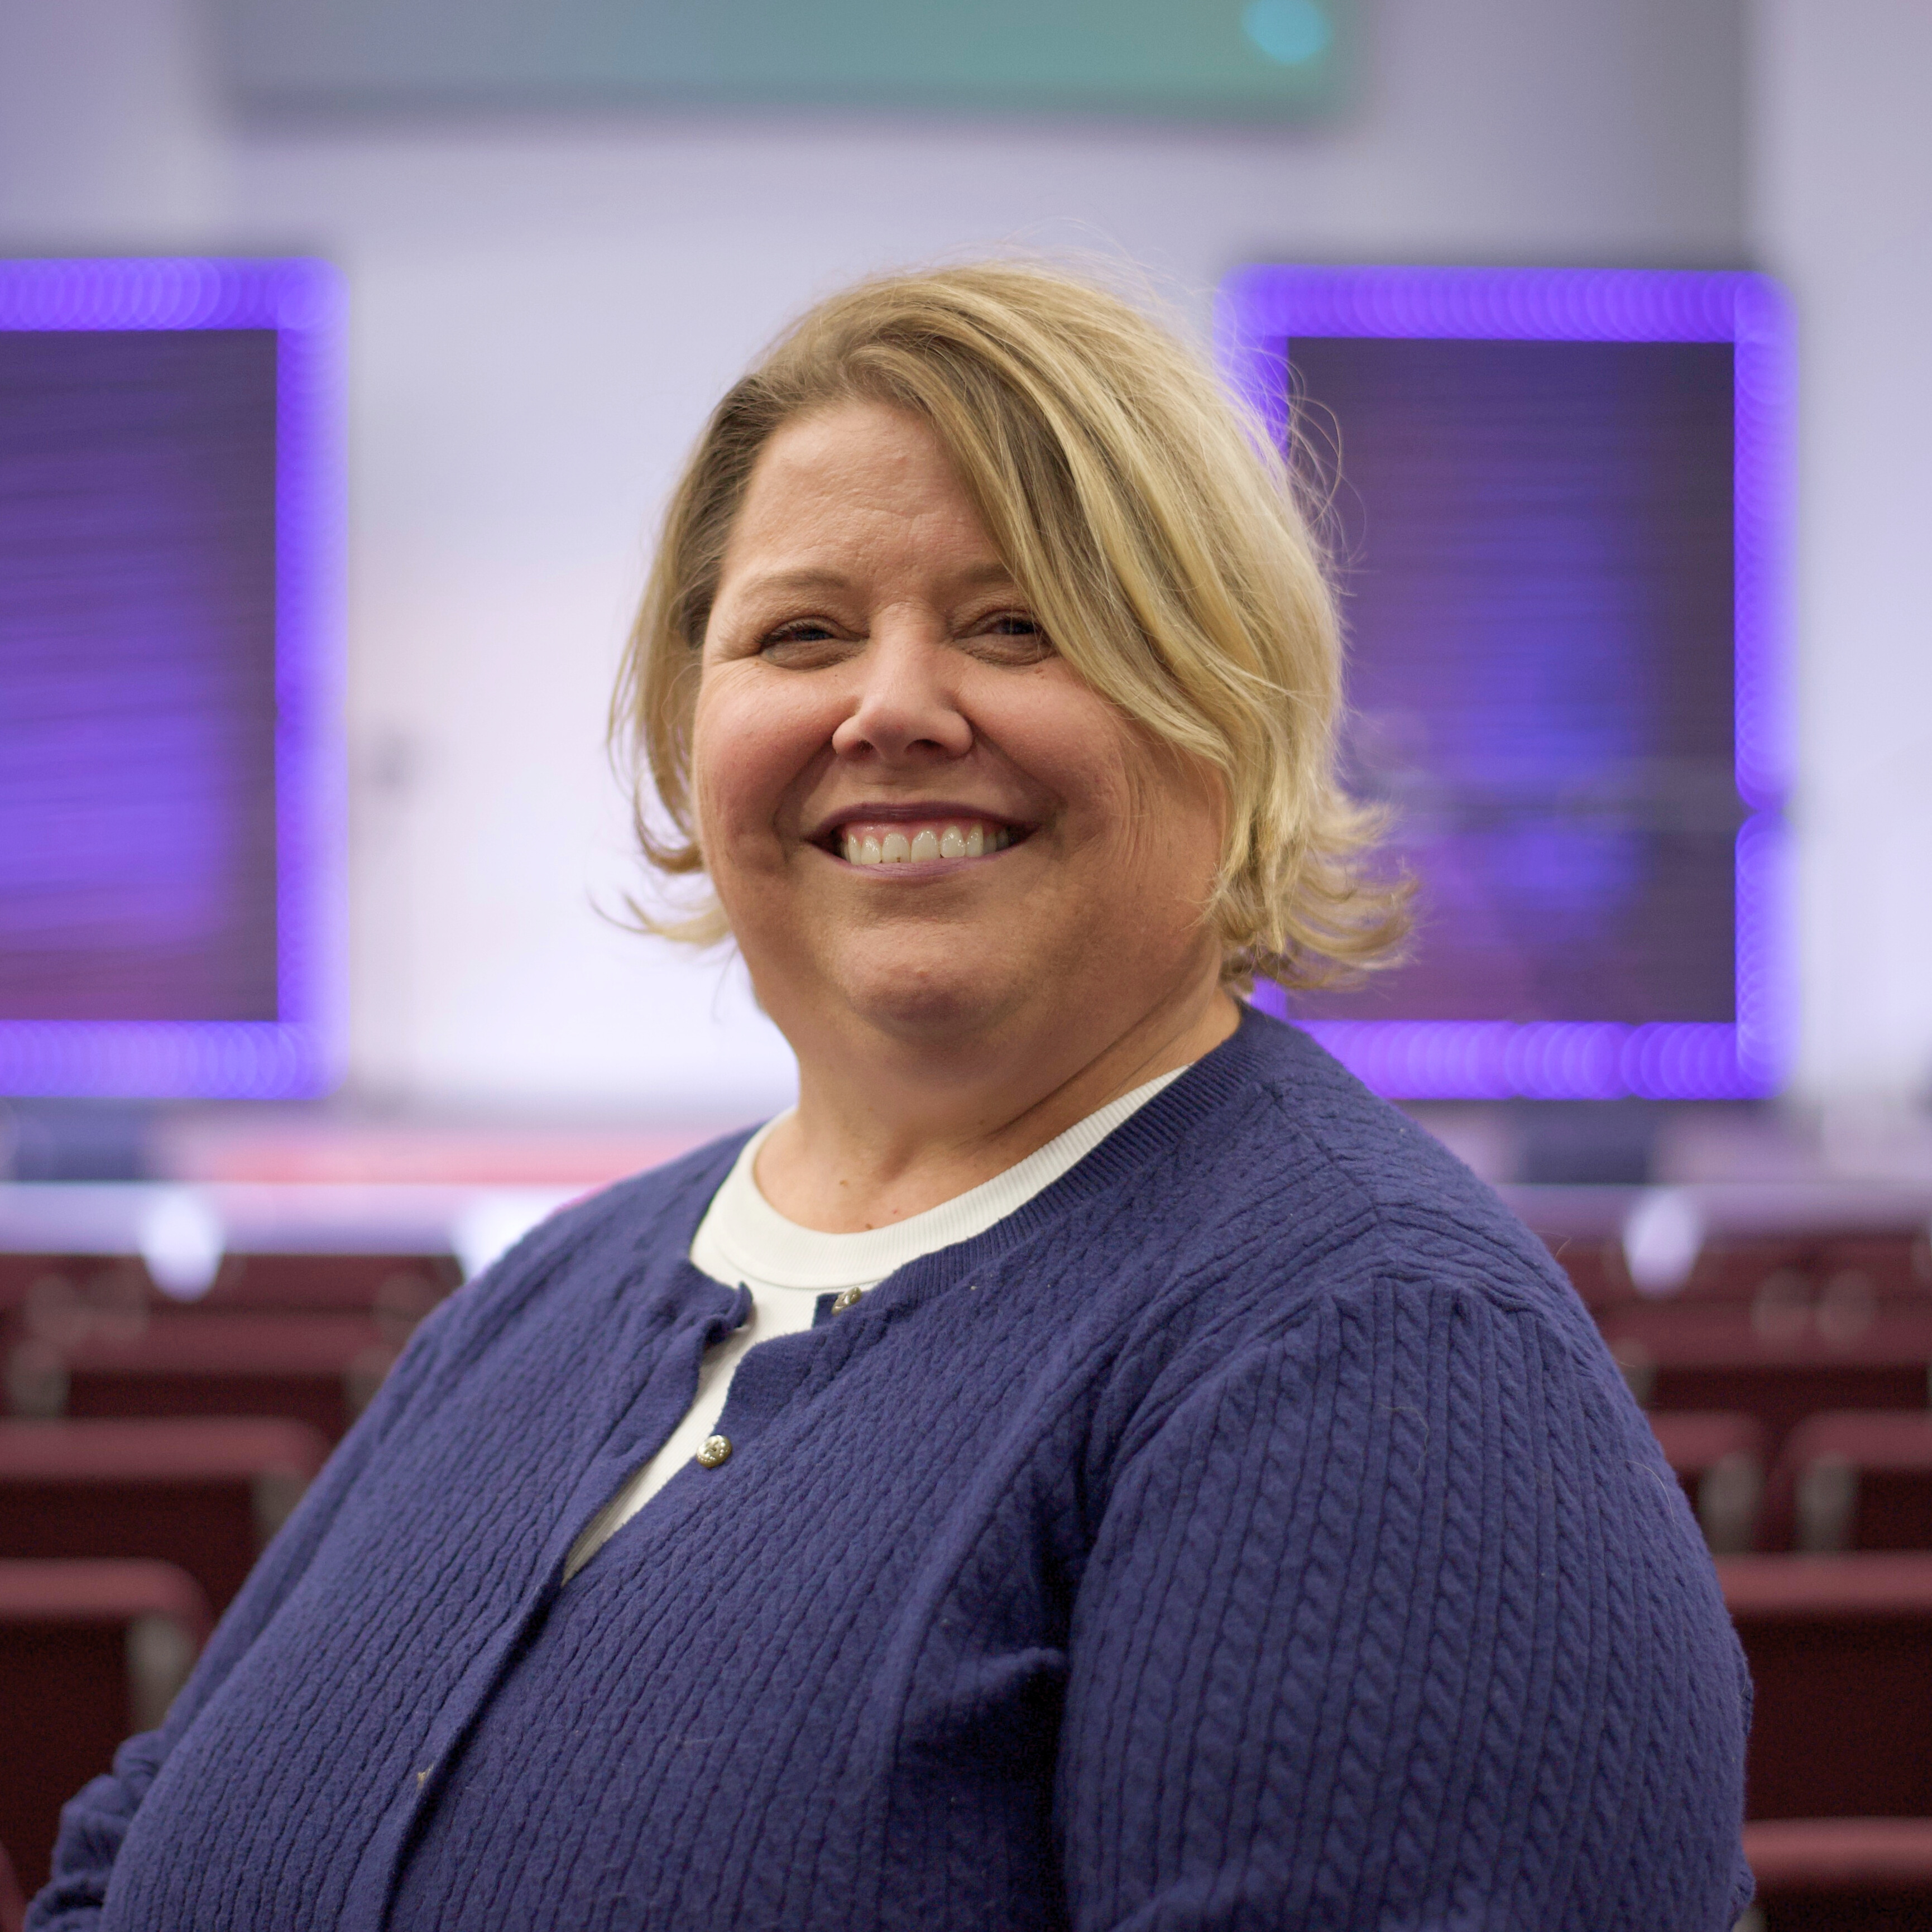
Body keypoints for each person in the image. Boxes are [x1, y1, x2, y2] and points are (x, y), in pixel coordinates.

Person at [32, 262, 1751, 1931]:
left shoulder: (1387, 1363)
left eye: (1021, 625)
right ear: (691, 731)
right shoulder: (551, 1292)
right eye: (803, 632)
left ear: (1229, 712)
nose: (895, 707)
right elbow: (133, 1857)